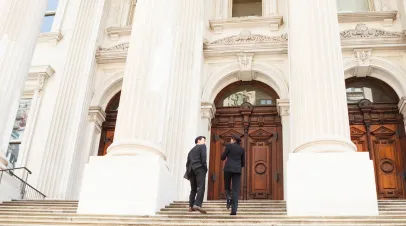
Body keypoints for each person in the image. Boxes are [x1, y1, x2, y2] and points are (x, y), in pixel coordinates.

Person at [221, 135, 245, 215]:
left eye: (231, 139)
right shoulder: (242, 149)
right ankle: (234, 211)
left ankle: (228, 197)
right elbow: (243, 163)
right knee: (235, 190)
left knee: (227, 186)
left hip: (228, 169)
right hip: (237, 170)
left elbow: (223, 157)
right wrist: (237, 166)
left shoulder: (229, 146)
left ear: (233, 139)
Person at [185, 136, 208, 214]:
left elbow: (187, 163)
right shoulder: (202, 146)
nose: (205, 142)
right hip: (199, 168)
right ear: (198, 141)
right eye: (204, 140)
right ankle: (197, 204)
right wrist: (205, 168)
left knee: (193, 189)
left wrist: (189, 169)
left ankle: (190, 206)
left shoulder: (191, 151)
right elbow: (203, 158)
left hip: (191, 170)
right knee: (201, 186)